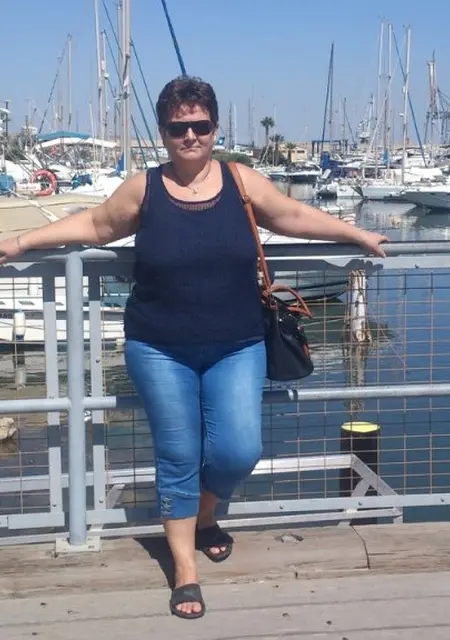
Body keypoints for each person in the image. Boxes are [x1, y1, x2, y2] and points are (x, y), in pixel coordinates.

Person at [0, 76, 388, 620]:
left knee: (238, 451)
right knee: (178, 455)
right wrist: (19, 242)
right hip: (159, 347)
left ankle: (205, 515)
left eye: (200, 125)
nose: (190, 135)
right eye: (178, 127)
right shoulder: (145, 188)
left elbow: (293, 216)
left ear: (215, 128)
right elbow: (95, 224)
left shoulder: (240, 181)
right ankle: (185, 568)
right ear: (163, 132)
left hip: (237, 344)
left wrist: (357, 234)